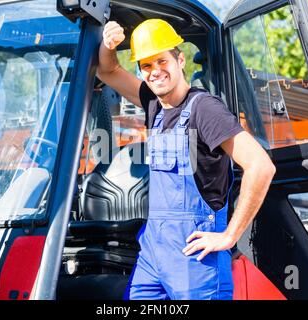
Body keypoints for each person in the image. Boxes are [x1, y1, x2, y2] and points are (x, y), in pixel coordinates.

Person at [97, 18, 276, 300]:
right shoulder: (153, 103)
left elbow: (261, 166)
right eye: (146, 65)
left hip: (195, 260)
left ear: (180, 60)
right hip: (154, 254)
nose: (155, 71)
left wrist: (229, 236)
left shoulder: (205, 110)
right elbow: (108, 71)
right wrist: (109, 46)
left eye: (162, 61)